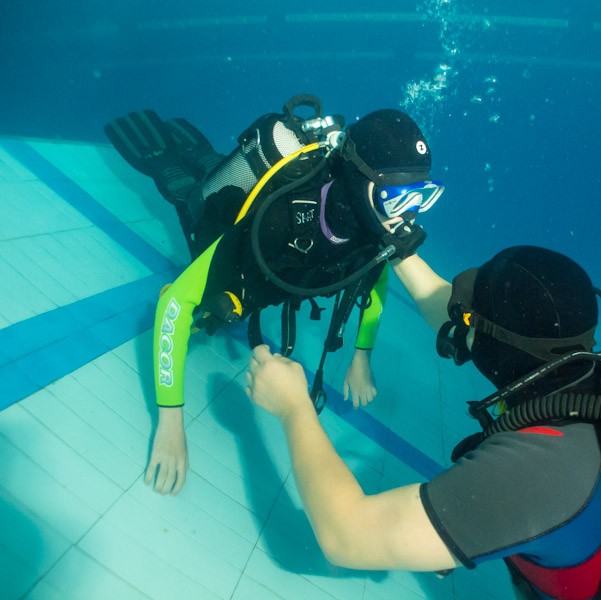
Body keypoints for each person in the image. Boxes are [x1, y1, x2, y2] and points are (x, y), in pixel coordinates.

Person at [246, 246, 601, 600]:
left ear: (493, 345)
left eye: (472, 316)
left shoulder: (537, 468)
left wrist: (293, 405)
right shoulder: (597, 385)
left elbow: (347, 536)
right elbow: (453, 315)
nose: (459, 321)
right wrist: (393, 240)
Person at [105, 95, 444, 495]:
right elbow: (173, 305)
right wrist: (170, 421)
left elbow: (373, 278)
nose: (407, 218)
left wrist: (361, 356)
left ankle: (203, 157)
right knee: (188, 195)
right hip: (239, 230)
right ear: (357, 180)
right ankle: (177, 159)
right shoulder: (281, 218)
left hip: (276, 241)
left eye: (423, 197)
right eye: (399, 198)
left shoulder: (374, 227)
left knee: (210, 168)